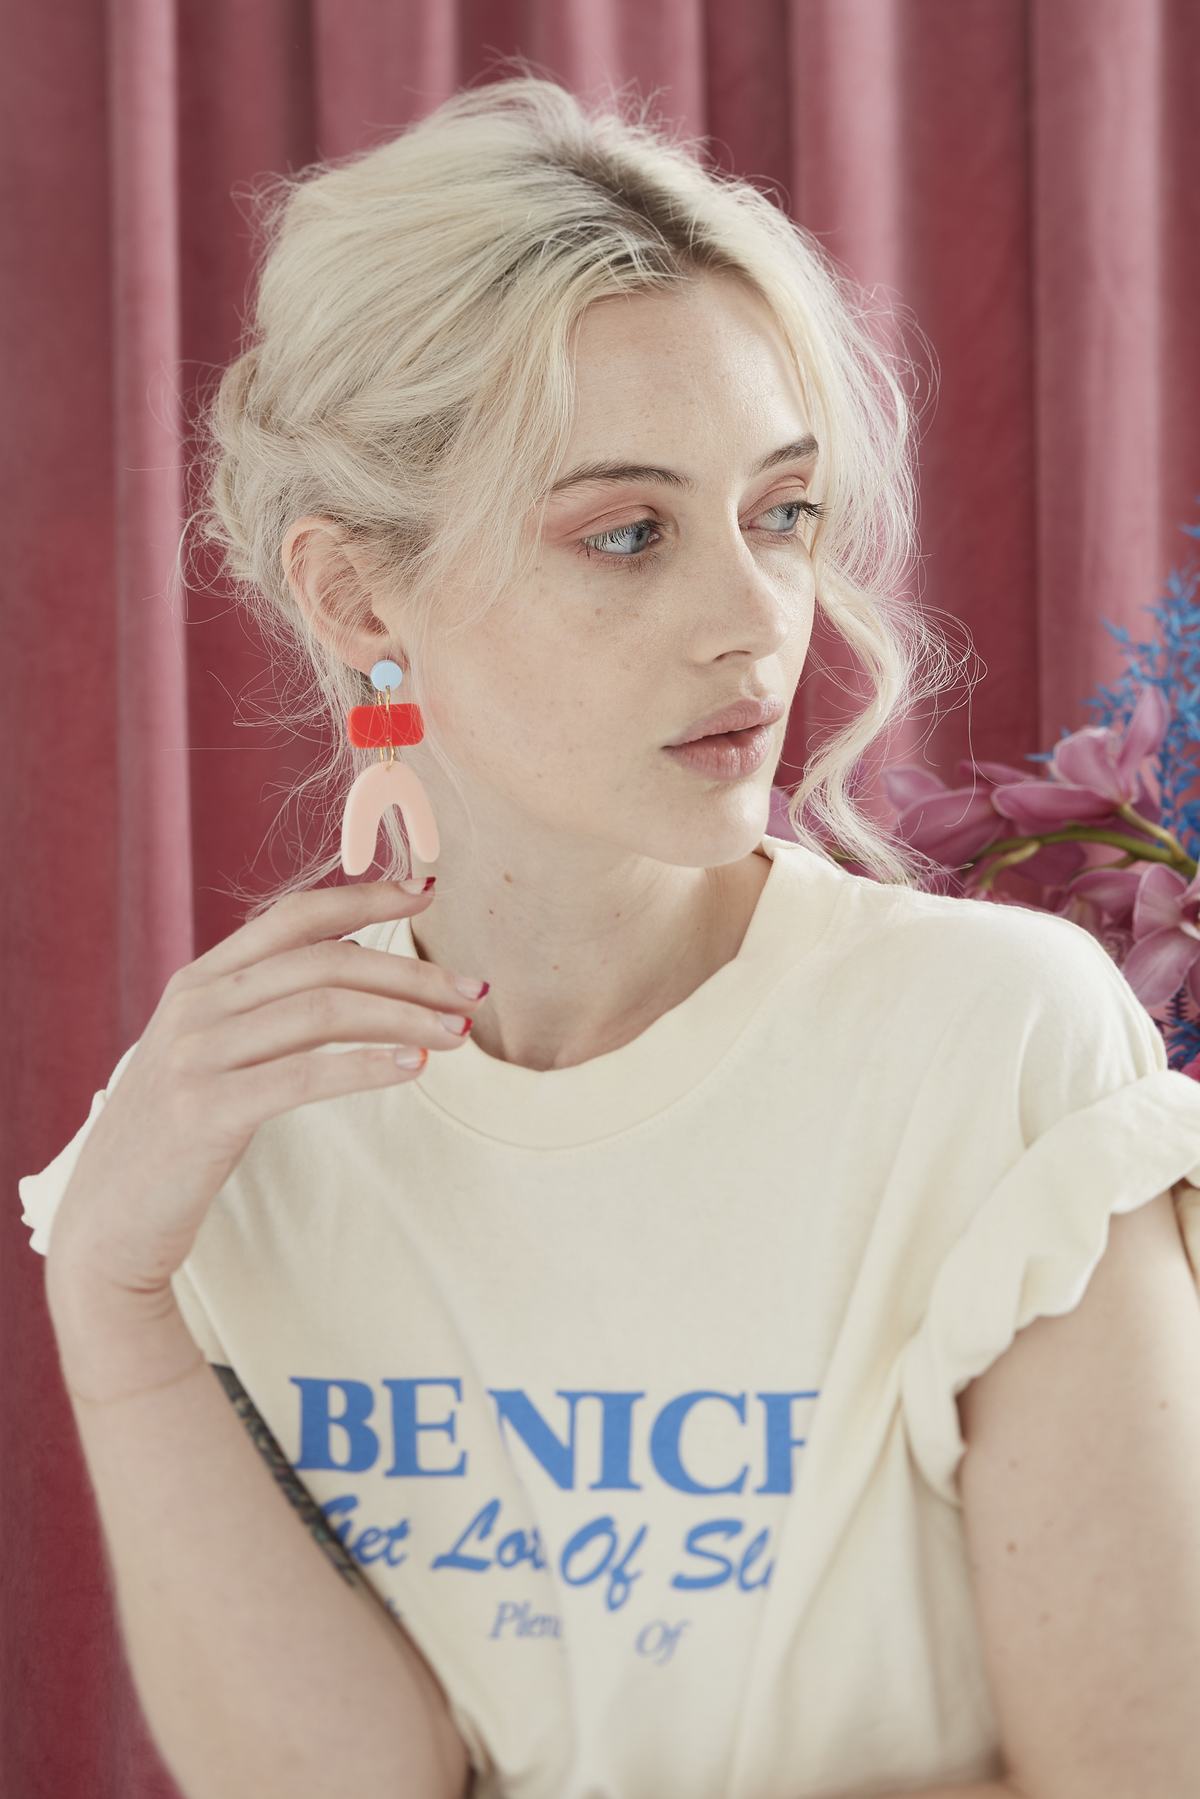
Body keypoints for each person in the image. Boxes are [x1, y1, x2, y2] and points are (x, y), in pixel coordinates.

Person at [19, 69, 1200, 1799]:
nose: (757, 619)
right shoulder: (236, 1117)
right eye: (628, 535)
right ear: (356, 596)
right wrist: (113, 1302)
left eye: (781, 513)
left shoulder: (995, 1046)